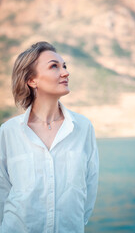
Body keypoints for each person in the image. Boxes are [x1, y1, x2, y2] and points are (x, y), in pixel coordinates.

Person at [0, 41, 99, 233]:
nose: (65, 72)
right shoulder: (8, 132)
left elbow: (89, 188)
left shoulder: (83, 127)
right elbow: (1, 190)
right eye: (54, 66)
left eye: (64, 66)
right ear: (31, 80)